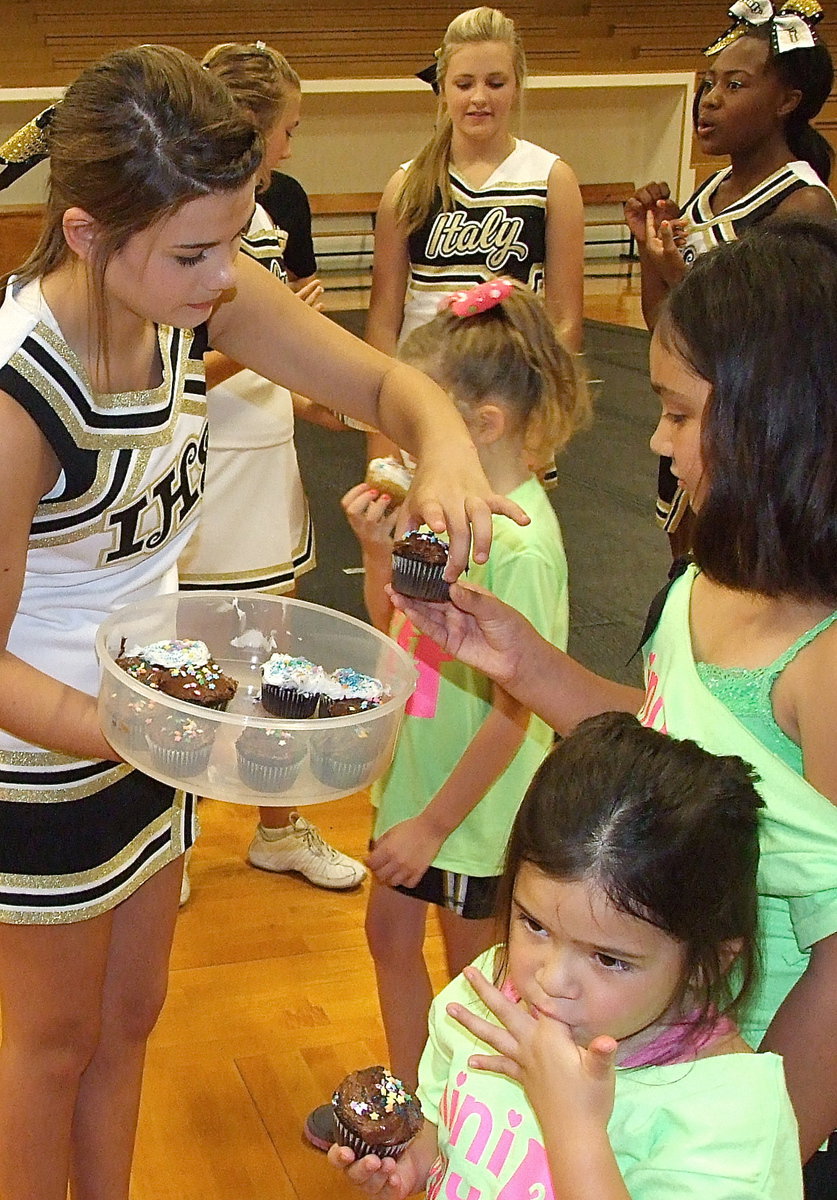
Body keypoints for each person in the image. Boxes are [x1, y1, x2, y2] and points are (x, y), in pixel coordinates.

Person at [0, 45, 527, 1199]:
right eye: (196, 252)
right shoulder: (20, 396)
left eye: (233, 240)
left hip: (146, 717)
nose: (224, 276)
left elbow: (386, 384)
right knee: (46, 1050)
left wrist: (443, 452)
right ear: (87, 234)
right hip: (41, 757)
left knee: (129, 1018)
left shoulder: (190, 291)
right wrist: (149, 727)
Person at [385, 221, 837, 1196]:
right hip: (623, 1047)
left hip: (716, 1100)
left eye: (678, 413)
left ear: (777, 420)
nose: (657, 438)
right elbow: (672, 737)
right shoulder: (708, 577)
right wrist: (524, 662)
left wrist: (770, 1144)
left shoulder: (823, 665)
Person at [305, 278, 589, 1148]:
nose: (404, 443)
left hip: (471, 816)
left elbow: (516, 714)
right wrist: (374, 553)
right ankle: (412, 1113)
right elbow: (400, 645)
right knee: (388, 940)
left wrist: (434, 826)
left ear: (484, 426)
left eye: (423, 424)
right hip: (414, 787)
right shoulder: (441, 520)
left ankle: (471, 1135)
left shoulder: (522, 546)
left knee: (477, 986)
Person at [329, 712, 804, 1198]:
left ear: (711, 963)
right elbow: (443, 1122)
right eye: (534, 925)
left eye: (609, 959)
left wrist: (575, 1126)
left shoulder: (731, 1119)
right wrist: (411, 1168)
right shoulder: (486, 1000)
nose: (550, 981)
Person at [179, 41, 365, 894]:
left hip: (266, 453)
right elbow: (177, 370)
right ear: (251, 127)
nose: (291, 145)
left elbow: (294, 350)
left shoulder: (281, 202)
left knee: (272, 656)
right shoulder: (179, 214)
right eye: (287, 127)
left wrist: (330, 399)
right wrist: (269, 334)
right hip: (197, 455)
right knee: (184, 661)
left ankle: (278, 828)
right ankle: (173, 840)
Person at [624, 0, 836, 546]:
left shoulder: (803, 204)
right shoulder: (708, 193)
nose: (710, 99)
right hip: (694, 420)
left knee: (728, 573)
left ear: (787, 101)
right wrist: (649, 246)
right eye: (709, 83)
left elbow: (769, 359)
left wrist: (682, 280)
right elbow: (663, 325)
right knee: (683, 571)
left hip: (752, 445)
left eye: (735, 85)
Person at [365, 5, 584, 475]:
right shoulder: (407, 185)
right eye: (464, 84)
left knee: (505, 524)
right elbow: (383, 321)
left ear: (518, 85)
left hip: (510, 405)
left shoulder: (551, 179)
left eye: (495, 82)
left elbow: (565, 320)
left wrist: (540, 420)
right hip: (423, 396)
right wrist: (382, 434)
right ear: (443, 87)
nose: (479, 98)